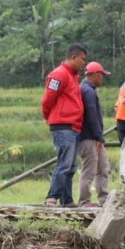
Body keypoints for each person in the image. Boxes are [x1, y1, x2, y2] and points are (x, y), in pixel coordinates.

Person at [41, 43, 88, 206]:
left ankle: (66, 200)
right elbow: (47, 99)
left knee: (71, 166)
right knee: (64, 163)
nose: (84, 63)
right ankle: (52, 197)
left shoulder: (73, 77)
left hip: (73, 126)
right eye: (82, 59)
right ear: (73, 57)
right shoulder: (59, 74)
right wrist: (51, 117)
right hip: (63, 126)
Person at [76, 61, 111, 207]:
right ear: (95, 74)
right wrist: (98, 136)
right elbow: (92, 115)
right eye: (101, 75)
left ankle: (104, 198)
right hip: (89, 137)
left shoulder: (85, 89)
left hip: (94, 137)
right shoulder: (88, 91)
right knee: (89, 170)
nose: (102, 78)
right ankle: (84, 201)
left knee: (103, 168)